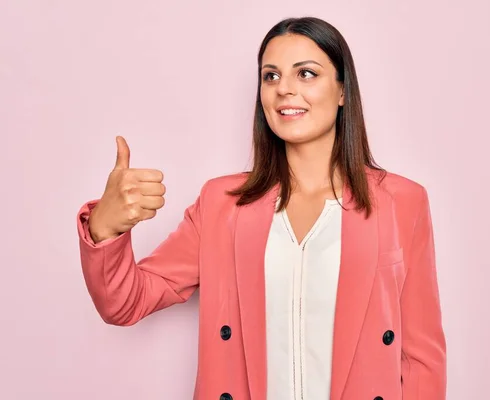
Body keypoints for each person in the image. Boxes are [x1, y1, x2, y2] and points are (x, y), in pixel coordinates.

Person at [76, 16, 446, 400]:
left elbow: (421, 358)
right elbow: (125, 303)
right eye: (271, 76)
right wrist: (105, 229)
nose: (284, 88)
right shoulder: (223, 204)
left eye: (306, 73)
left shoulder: (402, 201)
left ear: (342, 91)